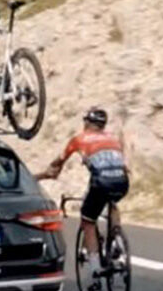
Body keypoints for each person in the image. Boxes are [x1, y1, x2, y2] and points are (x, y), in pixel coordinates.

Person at [35, 107, 130, 272]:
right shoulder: (113, 139)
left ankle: (95, 267)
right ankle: (117, 241)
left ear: (86, 122)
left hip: (101, 182)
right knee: (112, 202)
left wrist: (42, 175)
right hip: (122, 181)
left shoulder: (79, 139)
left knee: (88, 220)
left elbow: (58, 162)